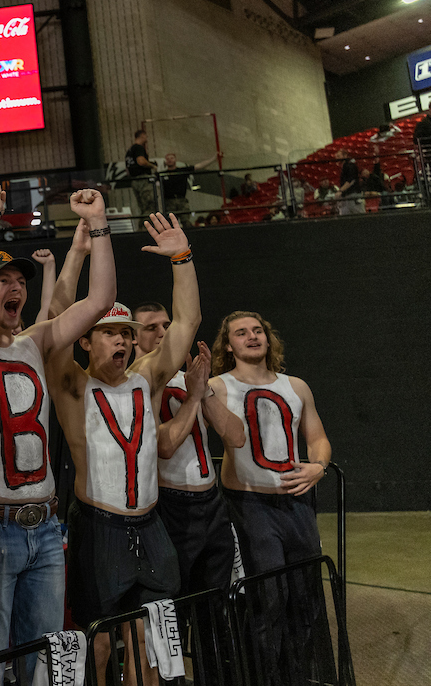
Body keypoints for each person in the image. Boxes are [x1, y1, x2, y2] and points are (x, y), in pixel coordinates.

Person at [0, 189, 116, 680]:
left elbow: (100, 300)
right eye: (1, 278)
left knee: (45, 665)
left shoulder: (35, 341)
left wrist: (100, 224)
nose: (13, 287)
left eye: (18, 281)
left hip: (45, 528)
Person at [46, 212, 200, 686]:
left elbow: (188, 319)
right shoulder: (73, 387)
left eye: (127, 333)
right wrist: (75, 255)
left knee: (151, 637)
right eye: (111, 332)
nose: (123, 339)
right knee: (97, 639)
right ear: (86, 341)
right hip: (101, 526)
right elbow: (54, 325)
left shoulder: (146, 378)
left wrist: (181, 257)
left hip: (150, 523)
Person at [211, 311, 332, 685]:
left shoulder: (296, 386)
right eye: (241, 333)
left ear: (268, 337)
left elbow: (318, 438)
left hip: (296, 505)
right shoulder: (218, 385)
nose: (252, 337)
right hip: (249, 507)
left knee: (305, 597)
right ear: (228, 345)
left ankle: (301, 677)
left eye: (257, 330)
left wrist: (319, 467)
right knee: (267, 600)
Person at [133, 302, 246, 684]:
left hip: (211, 503)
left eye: (167, 324)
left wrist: (203, 391)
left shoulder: (193, 379)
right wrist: (195, 396)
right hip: (172, 508)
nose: (163, 332)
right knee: (171, 616)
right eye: (151, 327)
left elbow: (236, 436)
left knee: (216, 612)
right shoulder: (140, 382)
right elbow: (163, 445)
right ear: (134, 338)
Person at [159, 152, 218, 221]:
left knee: (186, 220)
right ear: (165, 161)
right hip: (168, 202)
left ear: (175, 160)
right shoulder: (162, 174)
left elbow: (198, 166)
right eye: (167, 159)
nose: (169, 160)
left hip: (182, 200)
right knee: (170, 222)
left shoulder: (182, 171)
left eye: (171, 158)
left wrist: (214, 159)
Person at [125, 129, 158, 217]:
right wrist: (152, 166)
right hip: (143, 180)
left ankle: (143, 225)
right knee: (150, 204)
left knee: (142, 206)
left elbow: (127, 169)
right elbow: (141, 161)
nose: (147, 138)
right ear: (142, 136)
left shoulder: (129, 151)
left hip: (134, 180)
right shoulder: (139, 148)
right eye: (146, 136)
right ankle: (149, 225)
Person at [335, 149, 363, 215]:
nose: (337, 158)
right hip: (347, 195)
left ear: (345, 156)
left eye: (339, 156)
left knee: (358, 214)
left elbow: (350, 181)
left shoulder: (350, 166)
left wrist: (340, 191)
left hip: (353, 194)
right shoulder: (345, 167)